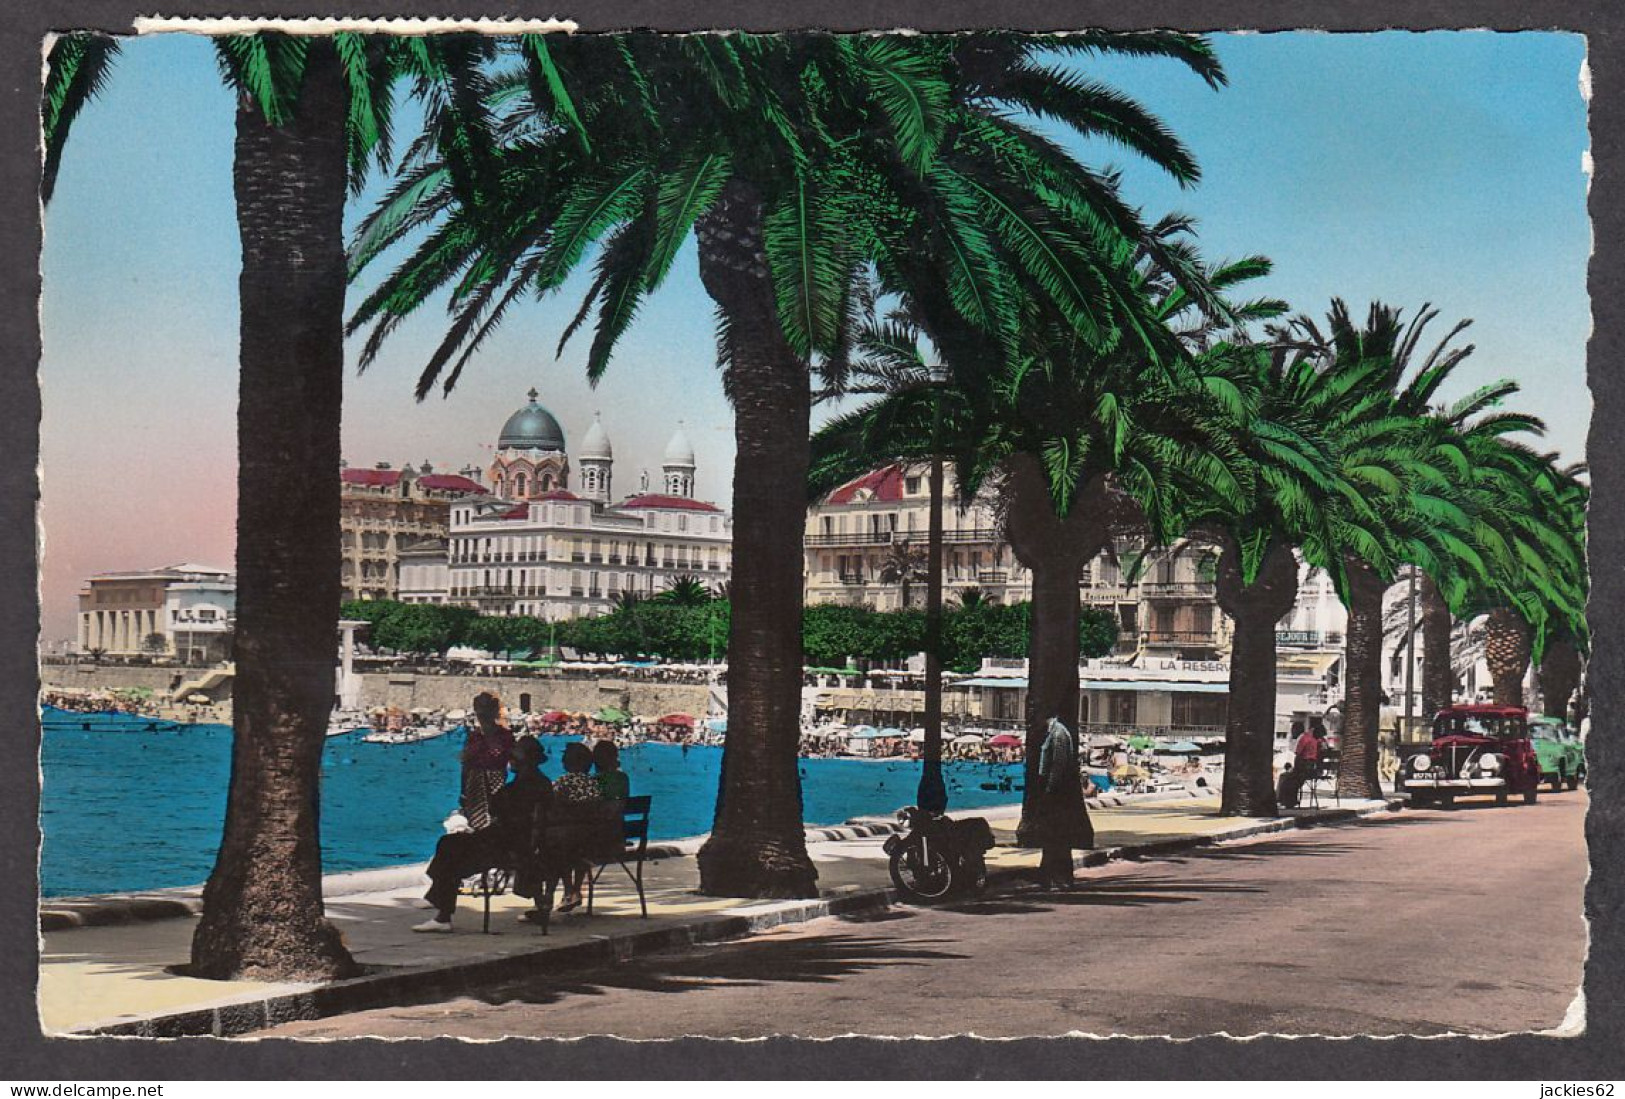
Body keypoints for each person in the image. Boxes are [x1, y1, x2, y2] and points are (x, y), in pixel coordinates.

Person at [415, 736, 552, 932]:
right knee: (452, 847)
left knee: (449, 847)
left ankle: (442, 913)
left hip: (506, 845)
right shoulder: (543, 785)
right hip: (524, 844)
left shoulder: (517, 789)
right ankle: (436, 898)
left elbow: (495, 810)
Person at [1032, 716, 1093, 889]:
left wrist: (1049, 789)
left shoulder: (1058, 734)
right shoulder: (1055, 732)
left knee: (1055, 837)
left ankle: (1056, 877)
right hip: (1056, 793)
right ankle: (1053, 876)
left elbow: (1058, 764)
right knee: (1055, 838)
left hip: (1056, 794)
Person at [550, 742, 604, 913]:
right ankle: (577, 889)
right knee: (578, 846)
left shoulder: (563, 782)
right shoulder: (593, 783)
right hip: (591, 838)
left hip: (569, 839)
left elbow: (552, 803)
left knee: (559, 846)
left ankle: (568, 889)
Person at [460, 691, 515, 831]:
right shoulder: (504, 736)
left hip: (481, 781)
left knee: (484, 821)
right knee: (493, 820)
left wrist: (463, 792)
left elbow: (466, 765)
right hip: (486, 780)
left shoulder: (476, 737)